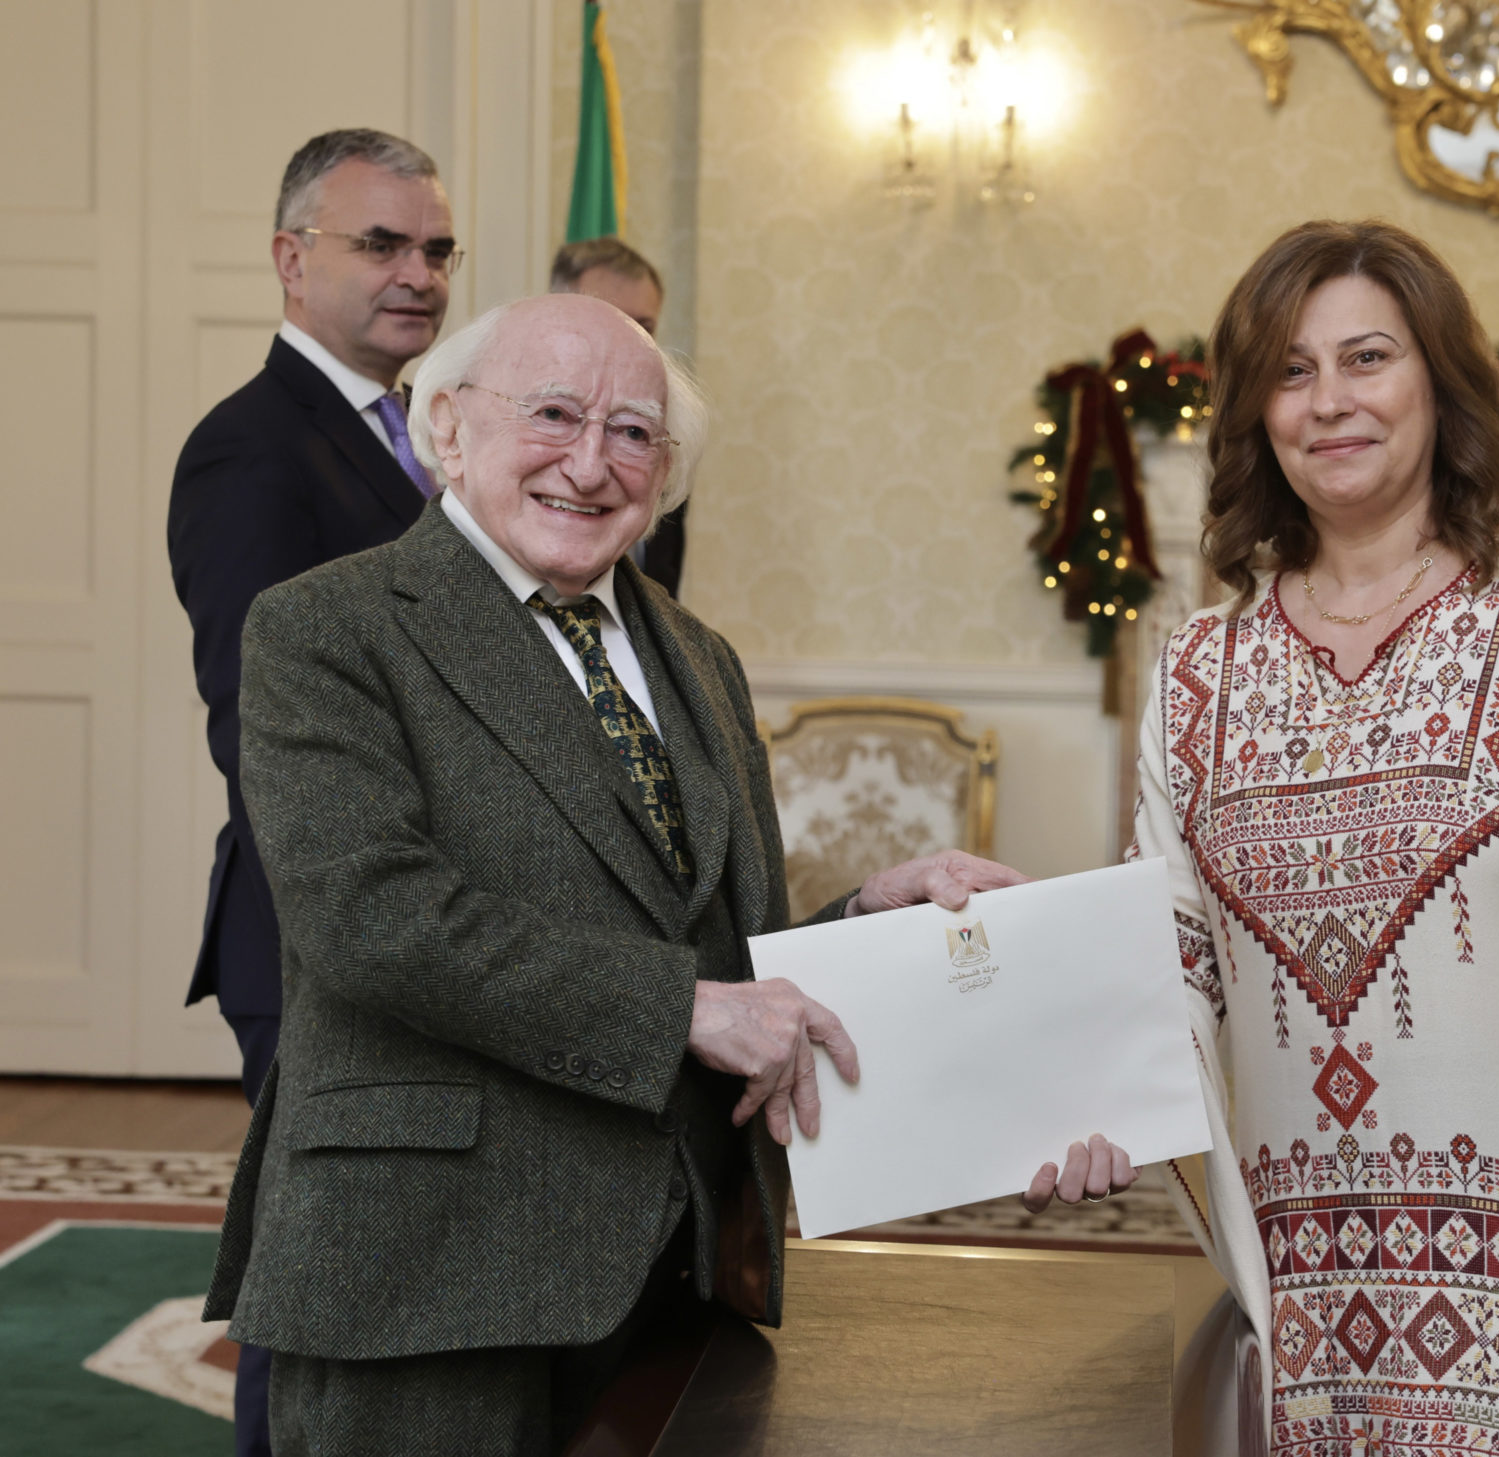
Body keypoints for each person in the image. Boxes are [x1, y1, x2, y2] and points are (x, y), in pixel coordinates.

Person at [201, 291, 1022, 1455]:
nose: (590, 463)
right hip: (432, 1266)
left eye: (633, 431)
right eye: (552, 414)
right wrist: (685, 1009)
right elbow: (371, 919)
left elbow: (704, 943)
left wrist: (858, 922)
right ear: (447, 428)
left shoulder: (698, 654)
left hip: (673, 1254)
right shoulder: (326, 629)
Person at [1034, 221, 1499, 1457]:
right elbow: (1166, 972)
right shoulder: (1198, 667)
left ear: (1439, 382)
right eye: (1291, 372)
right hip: (1305, 1312)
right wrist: (1030, 1009)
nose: (1329, 402)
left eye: (1367, 358)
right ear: (1257, 412)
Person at [167, 125, 457, 1457]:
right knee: (313, 1281)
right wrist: (375, 901)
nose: (420, 273)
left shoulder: (426, 437)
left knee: (399, 1263)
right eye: (381, 244)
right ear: (293, 262)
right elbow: (258, 721)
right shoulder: (253, 449)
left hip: (432, 926)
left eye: (438, 248)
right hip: (322, 930)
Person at [550, 236, 687, 597]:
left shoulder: (662, 444)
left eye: (643, 327)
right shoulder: (523, 436)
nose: (627, 342)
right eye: (609, 320)